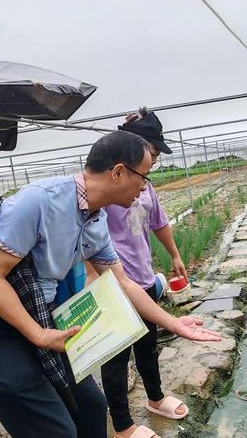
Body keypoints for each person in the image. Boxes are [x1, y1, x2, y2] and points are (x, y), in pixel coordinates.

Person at [0, 130, 220, 438]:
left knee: (92, 408)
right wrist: (39, 335)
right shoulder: (39, 201)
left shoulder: (96, 220)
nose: (145, 187)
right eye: (144, 177)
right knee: (56, 431)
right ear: (119, 172)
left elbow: (122, 282)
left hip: (40, 321)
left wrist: (173, 323)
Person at [93, 108, 187, 438]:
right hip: (113, 282)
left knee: (148, 345)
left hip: (143, 278)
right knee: (116, 358)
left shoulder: (146, 187)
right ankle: (122, 426)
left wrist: (174, 255)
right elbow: (87, 236)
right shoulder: (107, 184)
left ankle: (155, 398)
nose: (156, 160)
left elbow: (158, 222)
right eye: (154, 152)